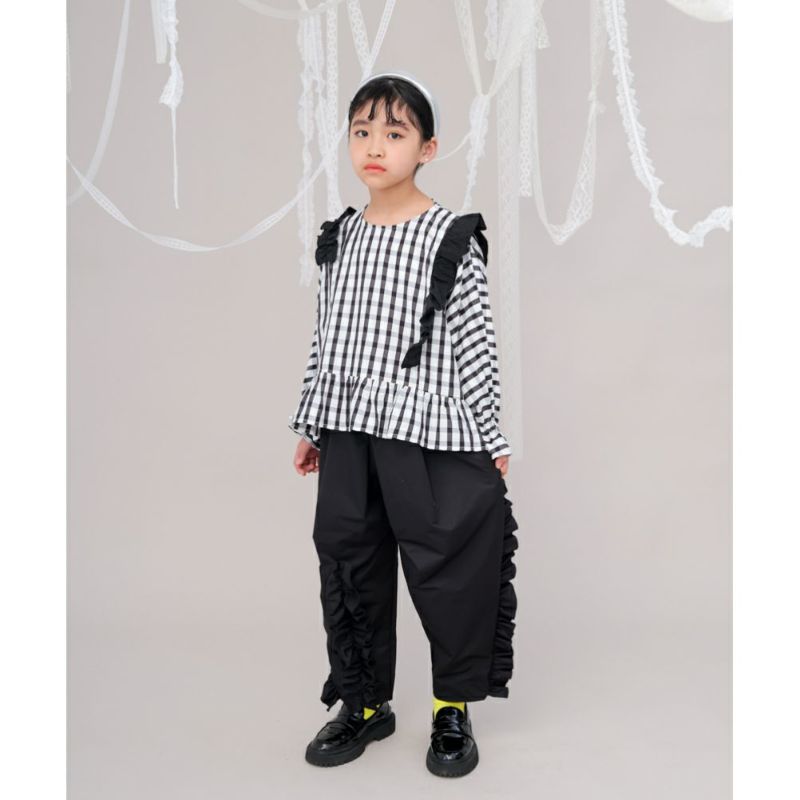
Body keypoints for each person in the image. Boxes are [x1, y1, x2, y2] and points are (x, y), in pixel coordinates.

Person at [287, 69, 520, 778]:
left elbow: (476, 343)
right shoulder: (340, 237)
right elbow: (327, 336)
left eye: (394, 133)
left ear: (427, 148)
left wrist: (491, 435)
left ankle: (452, 706)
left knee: (448, 563)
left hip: (428, 432)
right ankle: (364, 702)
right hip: (350, 427)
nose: (374, 146)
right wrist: (312, 422)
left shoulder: (449, 237)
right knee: (349, 557)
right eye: (362, 131)